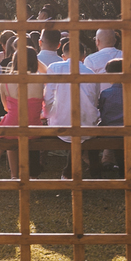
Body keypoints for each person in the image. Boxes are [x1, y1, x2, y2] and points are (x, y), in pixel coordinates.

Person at [42, 38, 99, 178]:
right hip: (86, 124)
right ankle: (93, 169)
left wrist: (48, 116)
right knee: (84, 127)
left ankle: (60, 171)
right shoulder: (91, 74)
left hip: (60, 123)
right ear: (83, 57)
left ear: (63, 56)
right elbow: (94, 100)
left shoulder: (54, 68)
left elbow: (48, 97)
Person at [0, 47, 43, 177]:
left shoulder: (5, 81)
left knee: (9, 127)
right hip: (33, 127)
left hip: (12, 126)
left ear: (15, 61)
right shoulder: (40, 80)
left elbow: (6, 107)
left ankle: (13, 175)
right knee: (12, 126)